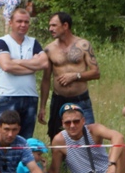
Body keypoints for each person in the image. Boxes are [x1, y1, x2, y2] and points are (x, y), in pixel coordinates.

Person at [49, 103, 125, 173]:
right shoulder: (59, 140)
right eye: (68, 122)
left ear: (83, 121)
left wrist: (112, 164)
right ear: (63, 123)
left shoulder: (94, 130)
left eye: (76, 121)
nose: (72, 125)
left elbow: (118, 137)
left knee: (120, 145)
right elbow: (54, 170)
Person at [40, 12, 100, 140]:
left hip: (80, 99)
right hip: (59, 99)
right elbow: (46, 80)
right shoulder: (49, 49)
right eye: (50, 25)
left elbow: (96, 72)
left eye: (54, 25)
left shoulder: (83, 45)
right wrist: (42, 107)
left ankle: (88, 160)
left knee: (88, 135)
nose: (50, 29)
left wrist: (75, 76)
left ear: (65, 25)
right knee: (57, 137)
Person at [0, 7, 50, 139]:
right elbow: (6, 66)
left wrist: (16, 61)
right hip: (9, 95)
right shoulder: (2, 42)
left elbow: (44, 63)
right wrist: (32, 66)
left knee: (26, 139)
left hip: (30, 97)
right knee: (3, 138)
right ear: (11, 23)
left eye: (26, 22)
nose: (23, 25)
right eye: (19, 21)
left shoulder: (33, 42)